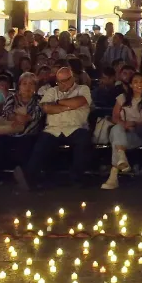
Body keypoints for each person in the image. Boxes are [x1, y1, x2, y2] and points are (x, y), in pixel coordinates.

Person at [15, 64, 91, 192]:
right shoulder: (52, 91)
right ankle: (29, 178)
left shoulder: (83, 89)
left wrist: (58, 103)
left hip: (76, 127)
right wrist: (68, 106)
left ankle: (76, 179)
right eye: (59, 81)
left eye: (66, 80)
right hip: (53, 129)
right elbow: (46, 107)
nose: (62, 84)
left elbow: (79, 101)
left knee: (83, 141)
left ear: (72, 78)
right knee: (41, 145)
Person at [102, 72, 142, 188]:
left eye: (141, 82)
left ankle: (114, 174)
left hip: (137, 134)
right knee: (117, 129)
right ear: (131, 85)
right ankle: (120, 157)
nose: (138, 84)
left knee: (116, 138)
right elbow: (115, 117)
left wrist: (133, 124)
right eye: (135, 82)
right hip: (121, 130)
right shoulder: (122, 98)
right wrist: (124, 124)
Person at [0, 72, 44, 169]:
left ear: (35, 87)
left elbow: (37, 114)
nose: (27, 86)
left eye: (31, 84)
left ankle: (24, 175)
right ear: (19, 85)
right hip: (11, 131)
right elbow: (6, 112)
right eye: (24, 84)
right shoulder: (12, 97)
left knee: (25, 144)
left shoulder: (39, 99)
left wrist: (25, 118)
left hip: (30, 133)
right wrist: (16, 117)